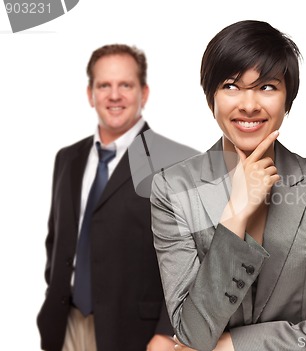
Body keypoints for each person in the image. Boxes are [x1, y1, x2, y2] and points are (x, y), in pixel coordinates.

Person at [151, 20, 306, 351]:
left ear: (287, 99)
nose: (249, 105)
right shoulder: (172, 190)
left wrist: (232, 345)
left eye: (267, 87)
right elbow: (191, 333)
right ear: (211, 96)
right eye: (231, 86)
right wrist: (236, 214)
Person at [37, 44, 198, 351]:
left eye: (125, 85)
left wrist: (167, 332)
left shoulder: (175, 163)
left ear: (144, 93)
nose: (114, 95)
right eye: (104, 85)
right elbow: (56, 239)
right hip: (65, 326)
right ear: (90, 94)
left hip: (136, 333)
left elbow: (194, 259)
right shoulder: (67, 158)